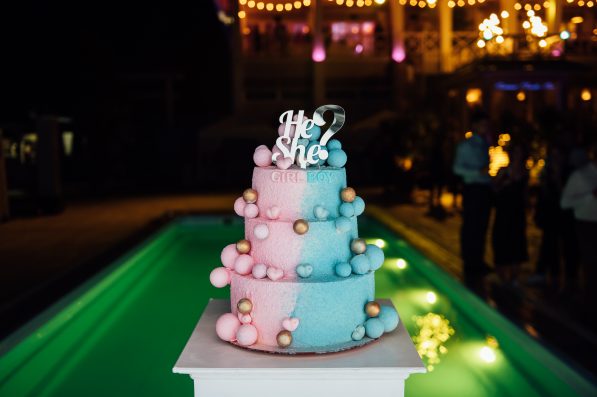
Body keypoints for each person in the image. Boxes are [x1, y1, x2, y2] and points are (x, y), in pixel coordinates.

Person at [453, 109, 492, 289]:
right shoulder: (465, 146)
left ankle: (479, 260)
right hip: (472, 188)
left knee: (482, 225)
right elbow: (457, 169)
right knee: (471, 225)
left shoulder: (485, 143)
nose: (486, 127)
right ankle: (470, 263)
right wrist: (477, 172)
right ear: (475, 125)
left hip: (484, 188)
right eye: (483, 124)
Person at [560, 146, 597, 304]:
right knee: (591, 264)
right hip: (586, 224)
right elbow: (565, 203)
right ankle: (590, 299)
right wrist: (590, 196)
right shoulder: (580, 175)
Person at [491, 142, 529, 283]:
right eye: (515, 152)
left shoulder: (524, 172)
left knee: (517, 241)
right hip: (504, 210)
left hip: (517, 211)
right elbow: (493, 188)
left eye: (520, 152)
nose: (518, 155)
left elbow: (524, 193)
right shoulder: (503, 169)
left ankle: (514, 275)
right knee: (501, 239)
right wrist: (503, 183)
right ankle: (501, 273)